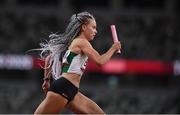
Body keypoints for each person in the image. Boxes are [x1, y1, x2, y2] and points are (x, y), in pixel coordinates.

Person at [34, 11, 121, 114]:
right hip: (64, 87)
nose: (95, 31)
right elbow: (100, 61)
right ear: (83, 27)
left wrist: (46, 80)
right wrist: (113, 48)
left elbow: (49, 57)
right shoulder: (82, 42)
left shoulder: (72, 42)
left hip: (71, 90)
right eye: (93, 27)